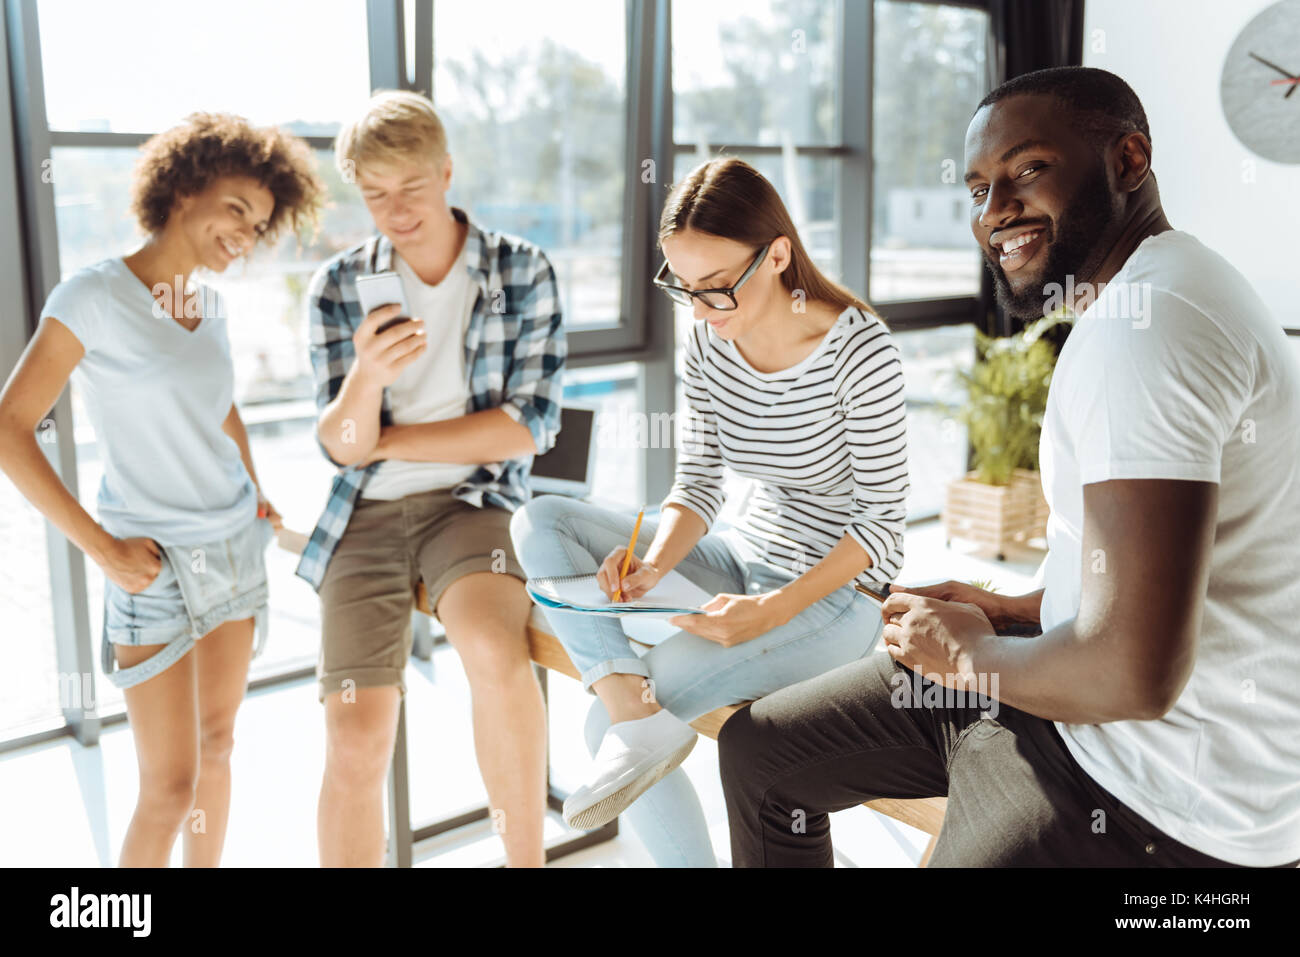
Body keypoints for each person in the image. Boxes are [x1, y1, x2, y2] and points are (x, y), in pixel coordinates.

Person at [718, 66, 1300, 868]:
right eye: (977, 189)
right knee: (761, 751)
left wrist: (962, 656)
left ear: (1129, 161)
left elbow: (1134, 675)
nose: (995, 213)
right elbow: (1148, 577)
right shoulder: (1146, 294)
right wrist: (1018, 610)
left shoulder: (1149, 331)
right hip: (1063, 704)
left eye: (1027, 171)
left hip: (1145, 799)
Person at [510, 157, 909, 866]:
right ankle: (629, 698)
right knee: (541, 522)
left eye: (717, 288)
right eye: (682, 287)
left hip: (837, 597)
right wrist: (654, 559)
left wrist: (773, 609)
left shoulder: (860, 352)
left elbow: (880, 526)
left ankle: (629, 709)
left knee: (606, 723)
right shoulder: (708, 340)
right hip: (740, 556)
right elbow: (697, 483)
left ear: (778, 254)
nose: (698, 311)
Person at [0, 113, 323, 866]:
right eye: (236, 209)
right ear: (182, 187)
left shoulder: (206, 305)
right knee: (168, 788)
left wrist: (257, 489)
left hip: (238, 552)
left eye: (260, 225)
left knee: (219, 749)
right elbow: (11, 427)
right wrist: (102, 550)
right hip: (152, 566)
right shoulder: (91, 296)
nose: (244, 235)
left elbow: (221, 408)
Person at [299, 90, 565, 868]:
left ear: (446, 171)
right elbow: (343, 448)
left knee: (491, 646)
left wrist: (394, 440)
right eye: (374, 194)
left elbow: (528, 426)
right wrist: (367, 380)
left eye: (410, 188)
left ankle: (523, 861)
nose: (395, 210)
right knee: (355, 730)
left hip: (472, 501)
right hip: (364, 515)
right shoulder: (337, 286)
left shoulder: (522, 270)